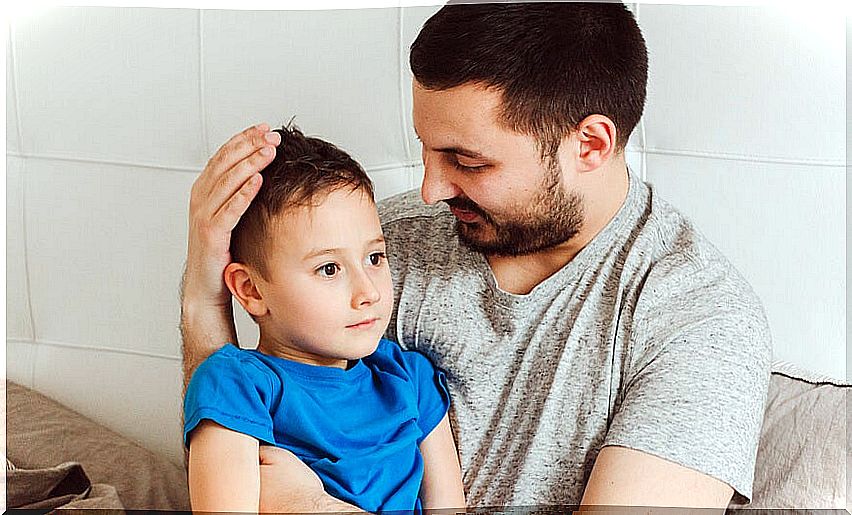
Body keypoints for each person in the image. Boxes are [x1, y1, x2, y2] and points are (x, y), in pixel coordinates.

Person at [181, 2, 771, 511]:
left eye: (466, 161)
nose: (431, 190)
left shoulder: (698, 318)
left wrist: (310, 506)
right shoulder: (385, 245)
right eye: (425, 150)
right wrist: (203, 289)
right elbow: (239, 417)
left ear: (590, 145)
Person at [182, 125, 465, 513]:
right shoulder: (238, 384)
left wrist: (312, 504)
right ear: (250, 290)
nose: (368, 292)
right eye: (329, 269)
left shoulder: (409, 378)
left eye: (375, 258)